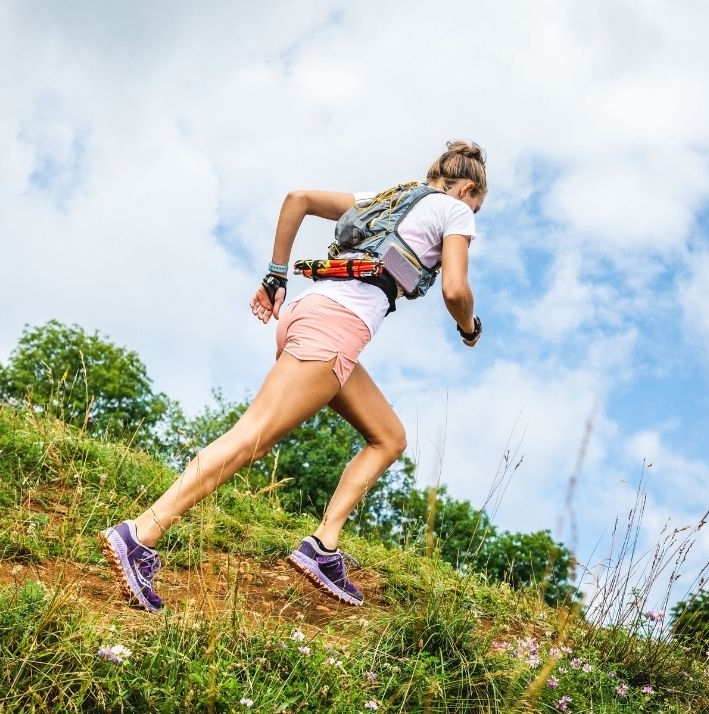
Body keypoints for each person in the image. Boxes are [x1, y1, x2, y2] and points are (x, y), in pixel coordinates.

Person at [98, 140, 487, 612]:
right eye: (477, 205)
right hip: (334, 331)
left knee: (389, 438)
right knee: (251, 438)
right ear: (468, 188)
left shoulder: (389, 202)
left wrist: (275, 276)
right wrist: (469, 328)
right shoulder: (454, 211)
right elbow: (455, 289)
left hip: (308, 314)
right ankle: (140, 533)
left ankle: (322, 547)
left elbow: (297, 199)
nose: (473, 216)